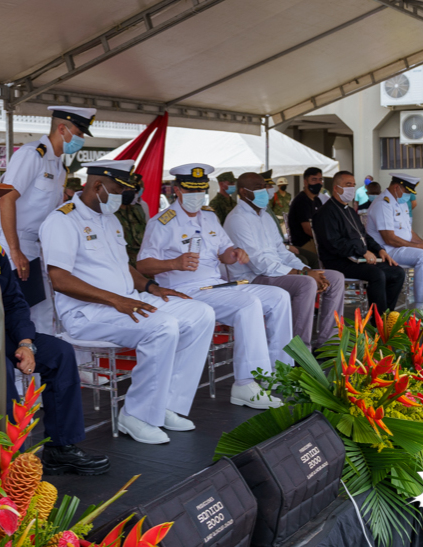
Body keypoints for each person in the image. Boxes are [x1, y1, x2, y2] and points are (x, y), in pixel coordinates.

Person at [39, 160, 214, 445]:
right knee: (163, 326)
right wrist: (115, 300)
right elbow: (59, 279)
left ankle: (167, 404)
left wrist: (152, 287)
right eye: (117, 189)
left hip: (128, 301)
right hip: (88, 313)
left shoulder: (109, 218)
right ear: (97, 186)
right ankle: (136, 415)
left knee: (201, 313)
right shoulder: (63, 220)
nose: (122, 197)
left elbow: (123, 268)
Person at [137, 163, 290, 410]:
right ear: (177, 190)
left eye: (201, 190)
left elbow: (224, 251)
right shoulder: (162, 222)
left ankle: (278, 372)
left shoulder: (209, 216)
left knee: (279, 297)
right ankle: (245, 382)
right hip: (185, 290)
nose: (197, 196)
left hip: (217, 285)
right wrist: (173, 262)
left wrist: (234, 253)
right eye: (190, 190)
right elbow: (142, 265)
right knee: (248, 304)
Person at [0, 212, 108, 475]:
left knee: (61, 354)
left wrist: (25, 342)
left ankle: (61, 448)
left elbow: (14, 302)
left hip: (3, 335)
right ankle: (10, 464)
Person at [0, 105, 95, 335]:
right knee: (16, 313)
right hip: (12, 245)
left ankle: (37, 369)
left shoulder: (58, 164)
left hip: (36, 247)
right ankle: (18, 370)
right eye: (78, 134)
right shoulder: (32, 154)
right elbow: (6, 198)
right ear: (62, 129)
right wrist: (15, 250)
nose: (80, 140)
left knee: (41, 314)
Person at [224, 172, 345, 350]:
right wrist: (304, 274)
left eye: (264, 187)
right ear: (243, 192)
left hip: (276, 272)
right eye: (258, 188)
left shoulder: (264, 216)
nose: (264, 191)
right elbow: (258, 263)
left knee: (335, 278)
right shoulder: (237, 219)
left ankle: (328, 343)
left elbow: (281, 251)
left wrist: (305, 269)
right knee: (306, 284)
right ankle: (299, 350)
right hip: (252, 277)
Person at [311, 171, 406, 315]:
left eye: (353, 185)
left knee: (397, 272)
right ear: (336, 188)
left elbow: (364, 236)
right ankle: (377, 323)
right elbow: (334, 243)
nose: (351, 188)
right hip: (338, 261)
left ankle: (387, 315)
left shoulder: (349, 210)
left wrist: (379, 250)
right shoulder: (325, 213)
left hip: (357, 257)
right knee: (377, 274)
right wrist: (362, 251)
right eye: (347, 185)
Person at [366, 174, 423, 312]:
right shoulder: (383, 204)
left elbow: (410, 233)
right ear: (396, 187)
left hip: (404, 248)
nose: (408, 195)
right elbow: (389, 238)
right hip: (388, 250)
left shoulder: (401, 204)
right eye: (406, 192)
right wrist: (421, 248)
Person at [287, 167, 325, 268]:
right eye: (314, 179)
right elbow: (308, 229)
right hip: (304, 243)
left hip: (316, 240)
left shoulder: (317, 200)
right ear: (305, 182)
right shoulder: (301, 201)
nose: (318, 183)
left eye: (320, 179)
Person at [115, 172, 147, 268]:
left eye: (132, 188)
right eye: (126, 188)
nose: (129, 191)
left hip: (141, 265)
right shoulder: (110, 213)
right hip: (122, 265)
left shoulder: (137, 210)